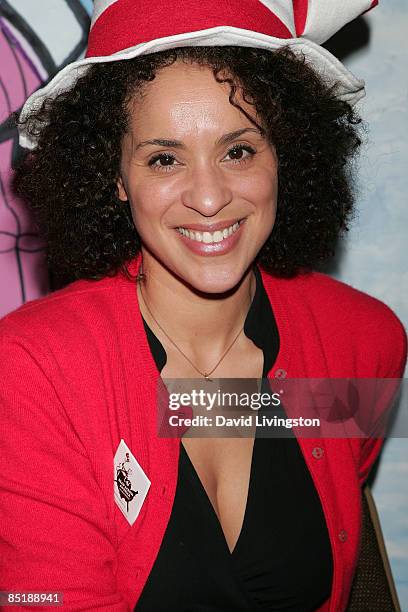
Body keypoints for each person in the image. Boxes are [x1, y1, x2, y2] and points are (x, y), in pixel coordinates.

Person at [1, 1, 406, 611]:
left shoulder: (361, 341)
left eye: (238, 150)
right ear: (114, 175)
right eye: (164, 158)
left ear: (284, 154)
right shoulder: (36, 372)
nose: (210, 197)